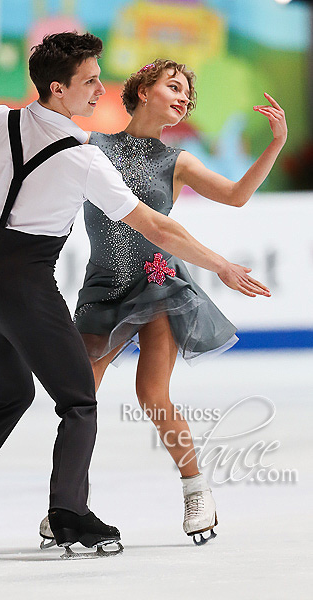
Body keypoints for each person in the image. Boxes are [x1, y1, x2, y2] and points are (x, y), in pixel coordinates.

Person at [0, 37, 270, 556]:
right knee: (78, 399)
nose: (100, 89)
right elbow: (159, 228)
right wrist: (222, 266)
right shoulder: (84, 158)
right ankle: (70, 515)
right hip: (25, 285)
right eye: (90, 81)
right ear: (58, 88)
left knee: (9, 395)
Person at [42, 59, 286, 546]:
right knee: (78, 397)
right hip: (102, 288)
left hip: (158, 286)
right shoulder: (92, 146)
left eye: (187, 94)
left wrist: (276, 143)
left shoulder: (179, 162)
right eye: (173, 86)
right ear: (142, 90)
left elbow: (238, 196)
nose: (182, 97)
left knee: (152, 395)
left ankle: (196, 489)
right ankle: (68, 504)